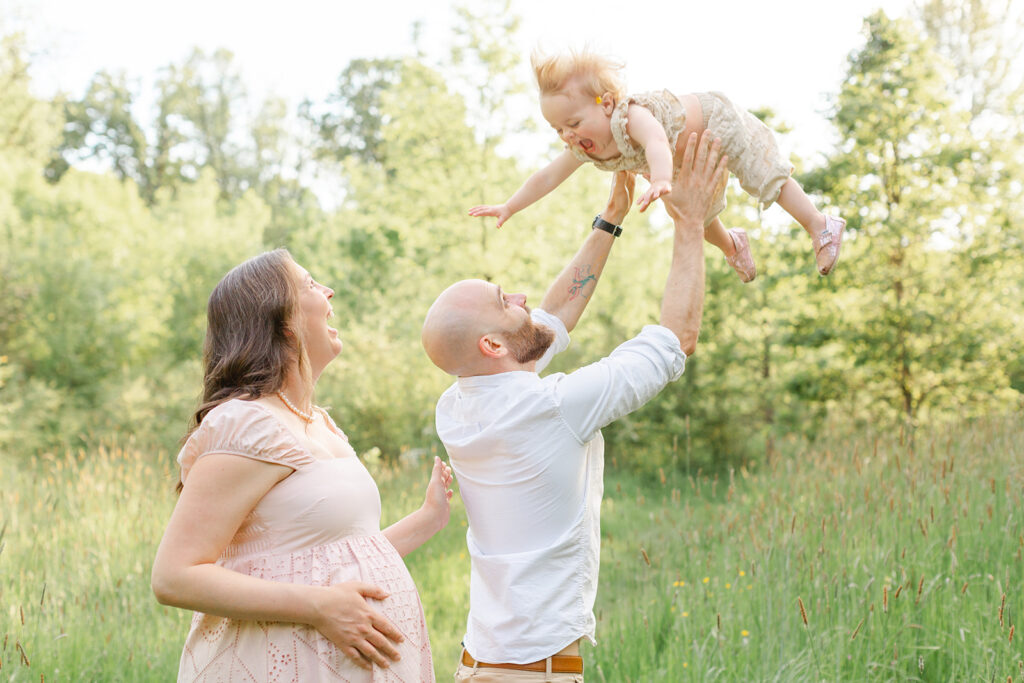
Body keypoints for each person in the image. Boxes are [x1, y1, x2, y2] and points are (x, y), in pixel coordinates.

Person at [424, 131, 726, 681]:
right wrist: (690, 223)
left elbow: (547, 322)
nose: (520, 299)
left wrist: (611, 219)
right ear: (491, 346)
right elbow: (674, 340)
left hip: (481, 661)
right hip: (529, 673)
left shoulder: (458, 403)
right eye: (503, 301)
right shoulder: (552, 407)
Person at [151, 248, 454, 682]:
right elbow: (174, 577)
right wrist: (319, 607)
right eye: (310, 284)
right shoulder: (246, 423)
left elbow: (336, 559)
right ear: (281, 320)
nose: (328, 291)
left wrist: (427, 521)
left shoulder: (321, 426)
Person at [468, 48, 847, 283]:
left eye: (574, 123)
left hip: (714, 124)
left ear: (605, 104)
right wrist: (510, 205)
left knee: (763, 176)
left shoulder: (629, 116)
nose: (567, 135)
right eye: (558, 129)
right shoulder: (584, 147)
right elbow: (547, 175)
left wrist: (661, 177)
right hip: (675, 163)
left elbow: (655, 142)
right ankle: (733, 245)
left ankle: (820, 224)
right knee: (693, 214)